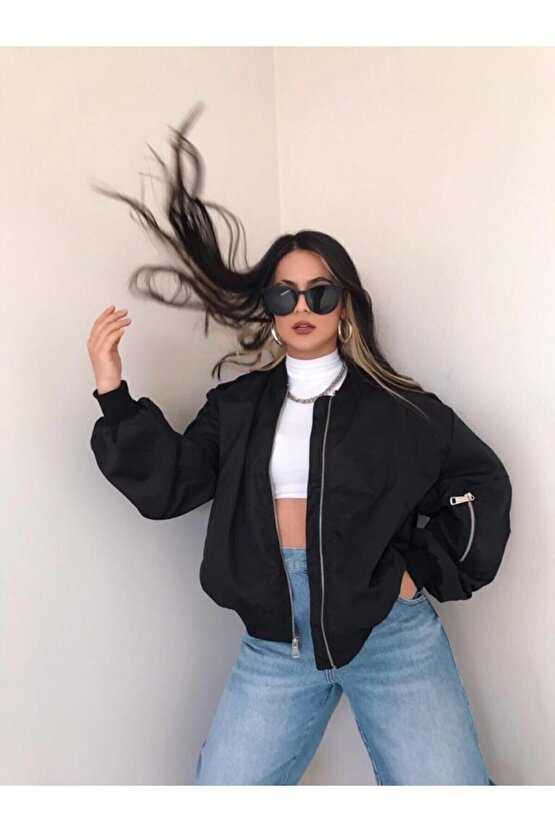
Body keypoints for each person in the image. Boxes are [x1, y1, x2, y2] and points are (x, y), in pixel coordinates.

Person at [87, 105, 511, 785]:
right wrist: (112, 391)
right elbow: (172, 485)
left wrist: (419, 573)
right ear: (269, 309)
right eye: (285, 296)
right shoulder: (238, 407)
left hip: (389, 635)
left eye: (319, 292)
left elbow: (480, 483)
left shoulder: (398, 409)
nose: (302, 308)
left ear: (344, 304)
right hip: (275, 640)